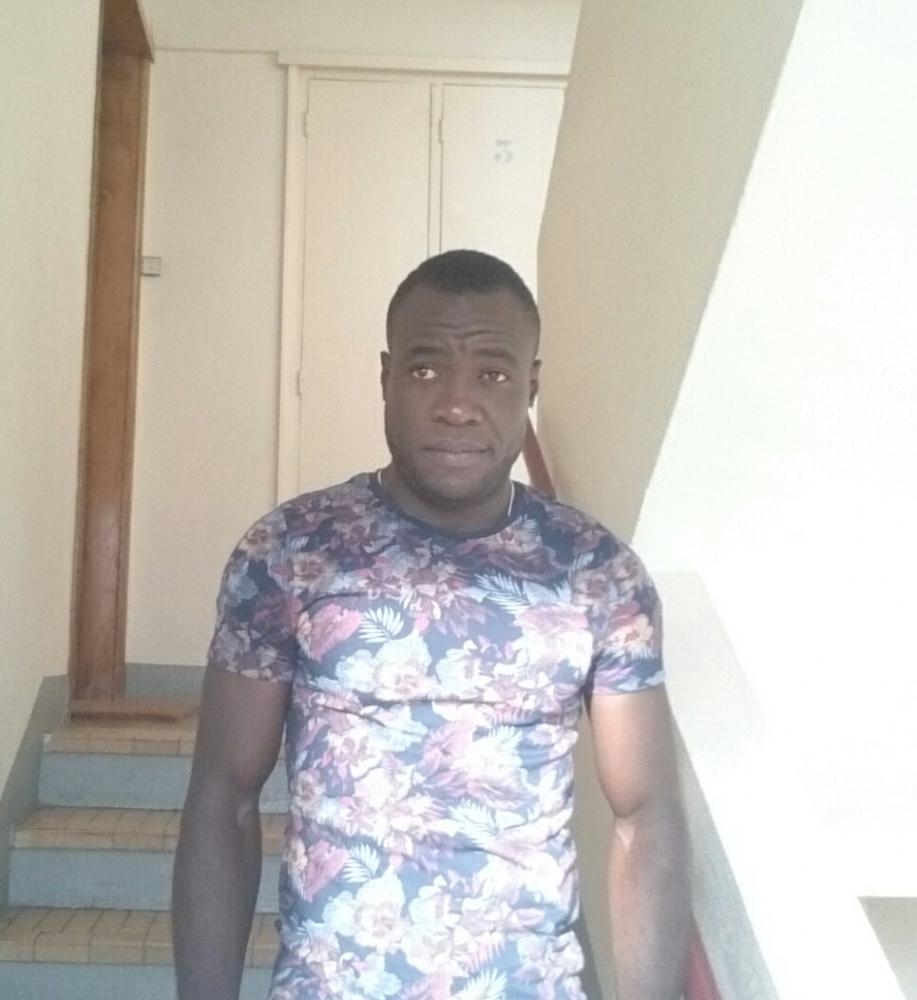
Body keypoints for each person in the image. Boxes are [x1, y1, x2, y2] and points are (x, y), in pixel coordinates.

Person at [172, 250, 690, 1000]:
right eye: (424, 370)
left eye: (493, 373)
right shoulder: (290, 552)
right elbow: (223, 798)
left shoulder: (596, 574)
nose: (456, 405)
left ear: (530, 387)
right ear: (385, 379)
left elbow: (646, 816)